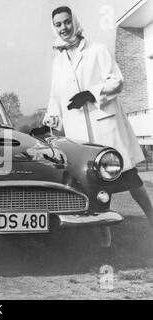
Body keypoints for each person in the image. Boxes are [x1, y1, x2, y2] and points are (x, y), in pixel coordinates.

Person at [43, 6, 153, 245]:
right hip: (78, 132)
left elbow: (117, 80)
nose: (64, 28)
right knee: (91, 181)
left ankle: (152, 218)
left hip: (105, 126)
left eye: (67, 22)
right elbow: (55, 97)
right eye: (59, 24)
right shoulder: (58, 61)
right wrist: (51, 117)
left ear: (75, 22)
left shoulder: (96, 49)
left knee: (128, 177)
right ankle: (104, 232)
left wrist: (91, 94)